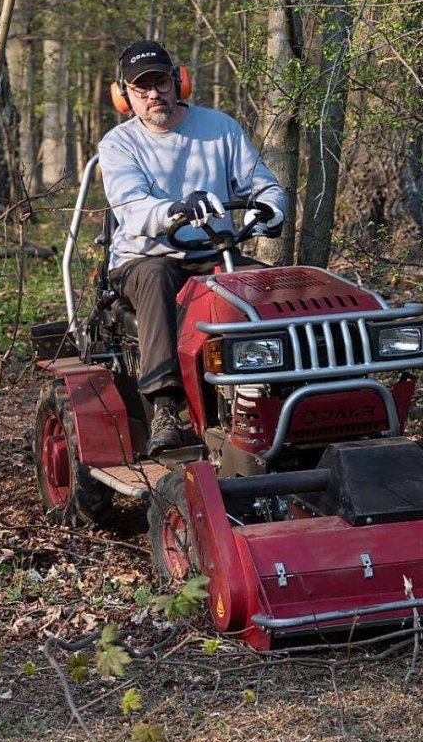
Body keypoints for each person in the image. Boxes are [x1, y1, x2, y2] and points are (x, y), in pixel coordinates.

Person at [98, 40, 288, 455]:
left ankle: (278, 396)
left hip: (215, 253)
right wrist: (176, 210)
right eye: (141, 87)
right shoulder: (118, 145)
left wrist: (271, 209)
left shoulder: (219, 128)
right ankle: (165, 407)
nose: (154, 95)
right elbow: (133, 210)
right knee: (157, 276)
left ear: (179, 82)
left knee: (271, 287)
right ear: (123, 95)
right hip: (144, 258)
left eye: (161, 82)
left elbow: (263, 183)